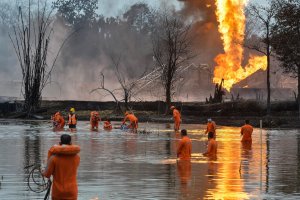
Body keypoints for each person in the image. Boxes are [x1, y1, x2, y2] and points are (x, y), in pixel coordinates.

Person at [42, 134, 80, 200]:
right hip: (72, 191)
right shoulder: (77, 157)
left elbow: (47, 174)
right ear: (70, 143)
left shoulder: (53, 158)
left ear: (60, 143)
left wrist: (42, 170)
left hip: (58, 192)